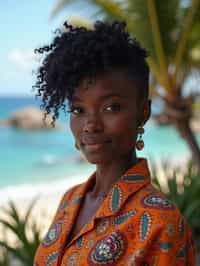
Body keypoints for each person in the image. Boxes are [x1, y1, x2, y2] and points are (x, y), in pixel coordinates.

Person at [33, 21, 195, 266]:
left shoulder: (161, 221)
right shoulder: (71, 199)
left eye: (111, 107)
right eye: (78, 109)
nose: (90, 125)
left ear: (143, 112)